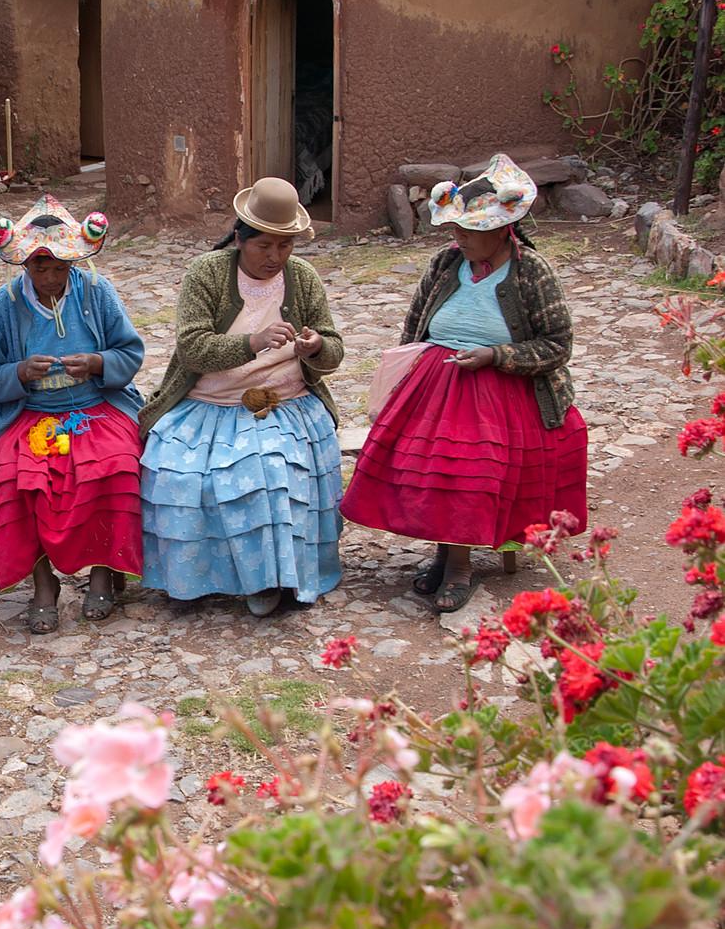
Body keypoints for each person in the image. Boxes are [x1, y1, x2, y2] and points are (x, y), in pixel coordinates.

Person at [342, 154, 588, 613]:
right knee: (431, 464)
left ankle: (458, 568)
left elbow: (557, 345)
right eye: (456, 229)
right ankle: (446, 556)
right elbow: (414, 327)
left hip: (502, 390)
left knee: (468, 468)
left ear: (504, 230)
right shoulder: (445, 263)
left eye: (471, 231)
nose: (459, 238)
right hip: (436, 384)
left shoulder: (532, 272)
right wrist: (404, 379)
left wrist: (497, 356)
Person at [139, 177, 345, 615]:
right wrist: (253, 341)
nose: (275, 257)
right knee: (181, 478)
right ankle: (196, 576)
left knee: (267, 470)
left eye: (285, 246)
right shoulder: (207, 274)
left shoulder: (302, 278)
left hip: (286, 404)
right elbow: (192, 348)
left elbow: (333, 349)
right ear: (239, 238)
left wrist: (316, 348)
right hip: (208, 404)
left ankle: (271, 580)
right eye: (263, 245)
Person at [0, 197, 144, 633]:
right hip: (29, 413)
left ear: (73, 261)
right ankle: (43, 583)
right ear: (24, 264)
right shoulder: (4, 304)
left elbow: (130, 352)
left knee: (117, 465)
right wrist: (20, 372)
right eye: (40, 268)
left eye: (59, 268)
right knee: (15, 477)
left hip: (96, 407)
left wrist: (97, 363)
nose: (50, 278)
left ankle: (104, 571)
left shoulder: (96, 292)